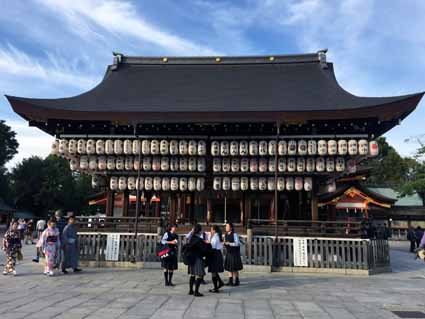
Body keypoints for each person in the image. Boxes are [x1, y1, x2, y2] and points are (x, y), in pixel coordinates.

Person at [187, 224, 209, 297]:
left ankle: (190, 290)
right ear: (199, 231)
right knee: (199, 275)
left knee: (192, 274)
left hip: (191, 259)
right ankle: (196, 292)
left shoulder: (191, 238)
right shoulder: (199, 240)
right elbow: (204, 250)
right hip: (198, 258)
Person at [207, 225, 225, 293]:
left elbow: (212, 246)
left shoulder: (215, 237)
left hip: (215, 254)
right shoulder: (216, 236)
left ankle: (215, 288)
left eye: (211, 230)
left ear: (214, 230)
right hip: (216, 253)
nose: (210, 231)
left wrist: (207, 244)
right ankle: (220, 283)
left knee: (213, 271)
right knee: (214, 271)